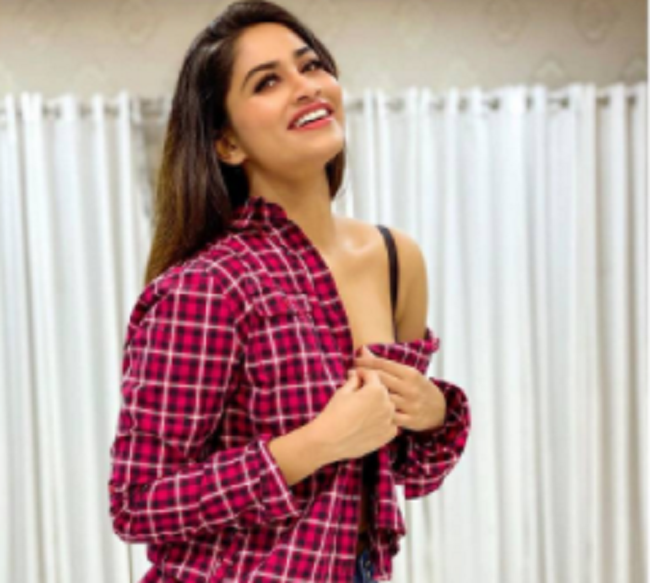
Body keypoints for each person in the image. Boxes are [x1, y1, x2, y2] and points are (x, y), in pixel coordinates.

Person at [107, 1, 472, 582]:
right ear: (228, 143)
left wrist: (433, 416)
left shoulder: (396, 260)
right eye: (267, 82)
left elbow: (405, 473)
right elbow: (137, 503)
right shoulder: (207, 288)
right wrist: (316, 444)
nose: (305, 87)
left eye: (311, 65)